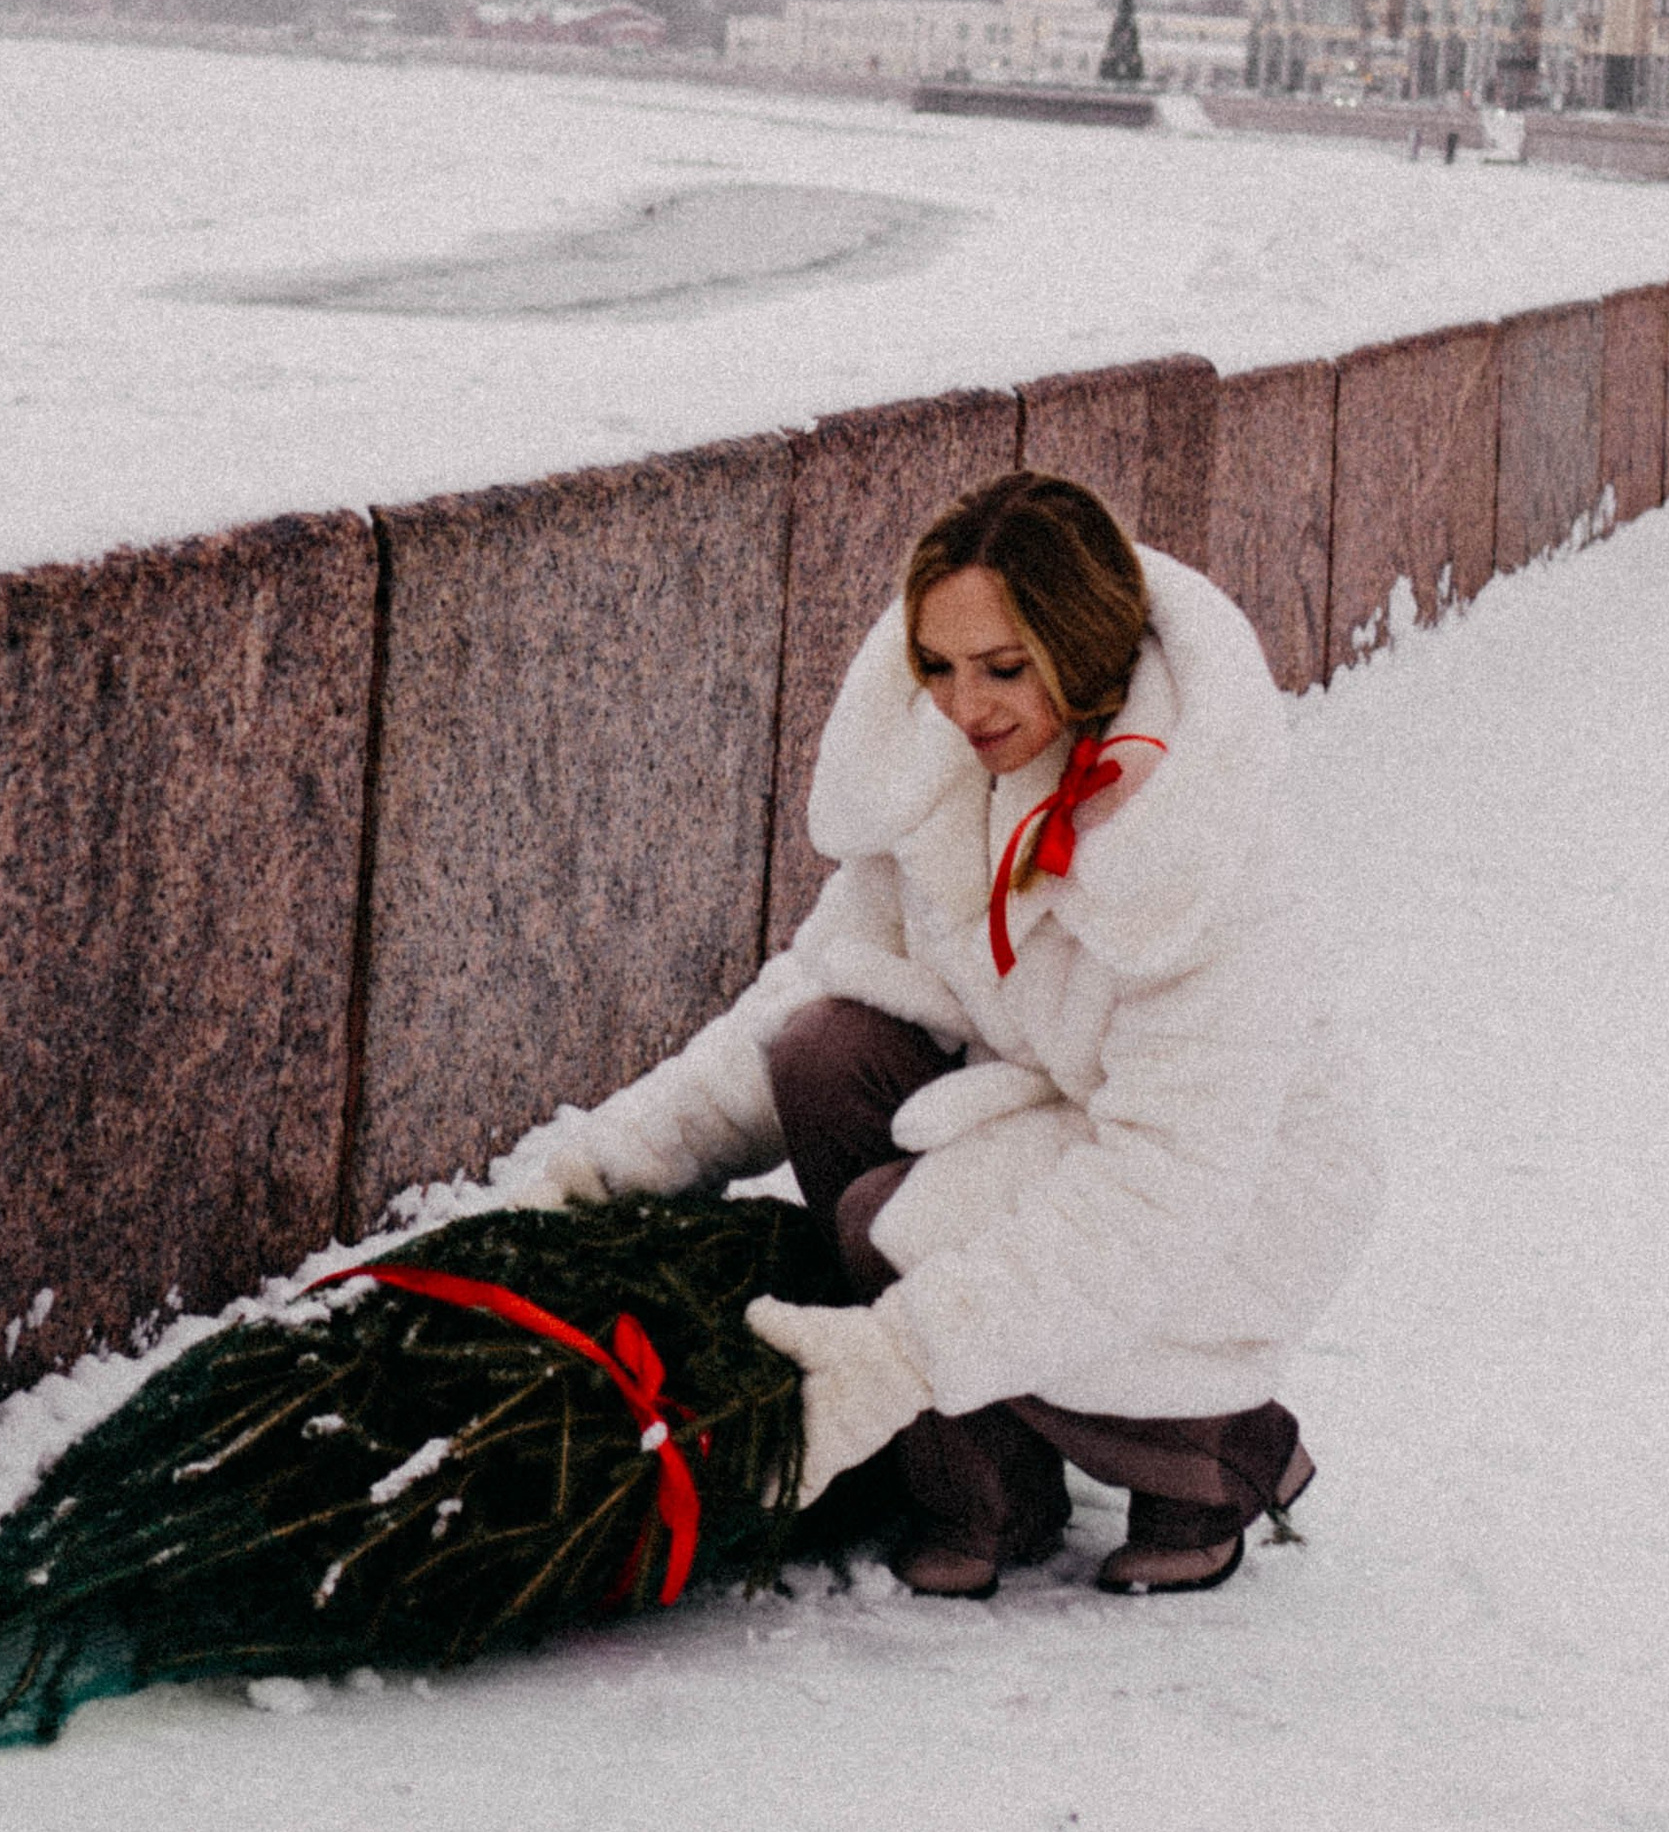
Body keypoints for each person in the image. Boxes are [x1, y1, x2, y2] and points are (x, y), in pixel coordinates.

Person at [488, 473, 1381, 1599]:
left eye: (1004, 669)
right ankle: (989, 1485)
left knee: (893, 1223)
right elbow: (801, 996)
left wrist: (896, 1354)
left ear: (1083, 645)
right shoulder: (953, 772)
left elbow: (1164, 1187)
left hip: (1239, 1187)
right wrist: (606, 1170)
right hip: (1051, 1111)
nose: (965, 706)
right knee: (821, 1052)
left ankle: (1213, 1450)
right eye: (939, 667)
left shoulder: (1206, 852)